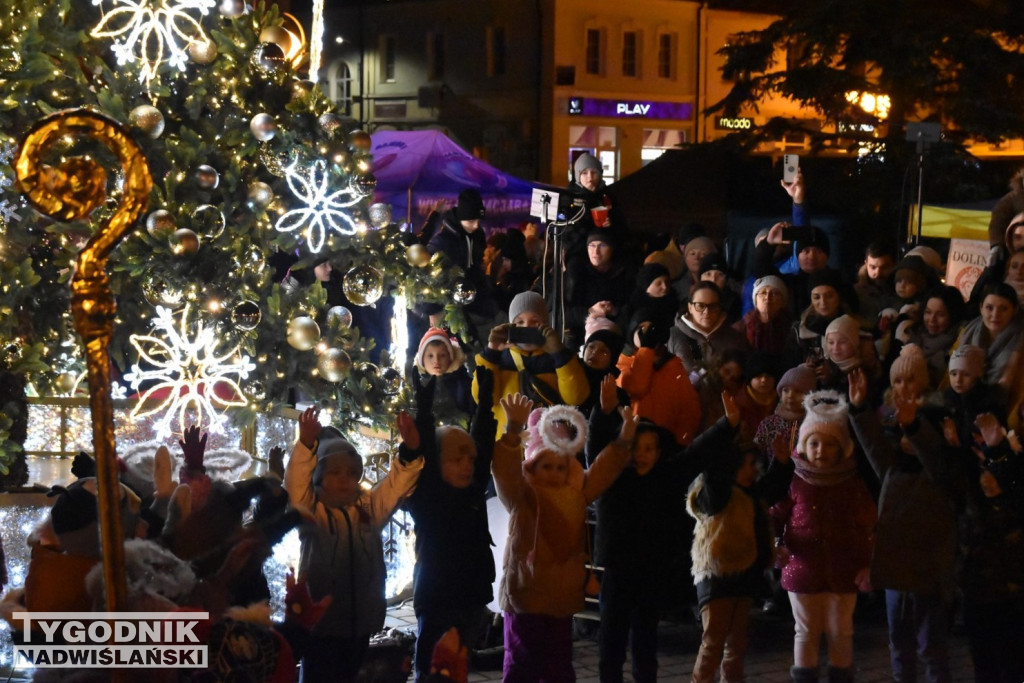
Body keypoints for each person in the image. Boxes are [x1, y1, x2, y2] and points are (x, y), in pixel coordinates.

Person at [591, 389, 742, 683]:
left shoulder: (666, 476)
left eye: (649, 448)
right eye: (635, 447)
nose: (641, 454)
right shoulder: (612, 476)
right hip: (617, 570)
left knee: (646, 639)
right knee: (611, 639)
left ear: (659, 452)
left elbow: (696, 454)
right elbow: (597, 451)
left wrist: (727, 424)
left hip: (651, 569)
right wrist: (604, 412)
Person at [493, 393, 636, 683]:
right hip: (526, 595)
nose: (554, 473)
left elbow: (603, 470)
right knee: (521, 660)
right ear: (532, 466)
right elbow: (505, 473)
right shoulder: (522, 495)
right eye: (546, 466)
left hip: (561, 597)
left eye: (560, 467)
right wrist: (512, 433)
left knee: (558, 662)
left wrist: (623, 441)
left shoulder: (576, 494)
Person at [284, 407, 424, 683]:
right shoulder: (312, 510)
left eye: (350, 472)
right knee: (318, 676)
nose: (344, 479)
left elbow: (396, 486)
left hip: (361, 619)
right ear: (319, 475)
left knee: (350, 673)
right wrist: (306, 446)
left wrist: (410, 451)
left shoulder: (368, 507)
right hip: (321, 621)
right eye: (335, 472)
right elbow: (296, 485)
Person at [848, 368, 958, 683]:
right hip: (896, 573)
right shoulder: (894, 470)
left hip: (928, 576)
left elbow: (934, 455)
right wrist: (859, 408)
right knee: (899, 644)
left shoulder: (940, 475)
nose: (905, 437)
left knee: (931, 647)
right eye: (902, 429)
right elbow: (873, 445)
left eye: (913, 430)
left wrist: (914, 425)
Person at [771, 391, 876, 683]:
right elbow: (776, 516)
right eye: (814, 443)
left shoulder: (852, 483)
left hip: (845, 570)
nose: (821, 450)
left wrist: (868, 564)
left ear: (842, 448)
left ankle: (841, 675)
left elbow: (867, 525)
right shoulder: (795, 480)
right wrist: (775, 546)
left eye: (830, 444)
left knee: (840, 629)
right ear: (804, 445)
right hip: (802, 569)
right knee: (805, 630)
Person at [404, 369, 497, 682]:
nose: (467, 466)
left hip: (471, 595)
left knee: (458, 666)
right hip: (437, 598)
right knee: (432, 668)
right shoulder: (427, 496)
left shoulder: (472, 490)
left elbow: (482, 448)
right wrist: (423, 410)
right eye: (457, 460)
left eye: (468, 460)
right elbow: (426, 456)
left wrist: (485, 406)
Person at [686, 419, 794, 683]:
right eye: (747, 464)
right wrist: (725, 433)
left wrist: (781, 462)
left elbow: (772, 487)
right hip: (717, 576)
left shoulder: (751, 492)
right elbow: (714, 479)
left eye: (754, 463)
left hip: (745, 575)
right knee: (713, 641)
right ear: (730, 465)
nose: (753, 469)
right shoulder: (717, 494)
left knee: (737, 643)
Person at [473, 291, 590, 434]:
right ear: (510, 325)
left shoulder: (557, 358)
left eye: (535, 321)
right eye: (520, 322)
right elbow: (483, 398)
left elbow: (576, 397)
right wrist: (491, 352)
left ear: (545, 324)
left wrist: (560, 354)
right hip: (508, 442)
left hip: (548, 442)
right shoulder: (499, 358)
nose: (527, 326)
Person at [425, 189, 501, 344]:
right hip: (449, 306)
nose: (476, 225)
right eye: (471, 220)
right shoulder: (443, 242)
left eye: (478, 220)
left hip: (475, 302)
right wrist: (433, 309)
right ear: (461, 217)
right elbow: (428, 277)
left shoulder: (477, 236)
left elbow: (475, 267)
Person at [617, 308, 702, 447]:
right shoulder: (623, 364)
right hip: (632, 445)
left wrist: (678, 443)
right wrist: (646, 349)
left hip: (664, 447)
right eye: (642, 329)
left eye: (653, 330)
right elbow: (637, 388)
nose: (648, 335)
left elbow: (689, 411)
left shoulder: (674, 366)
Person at [955, 281, 1024, 429]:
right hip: (963, 408)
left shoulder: (1020, 342)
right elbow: (951, 376)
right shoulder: (967, 333)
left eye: (1003, 309)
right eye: (989, 308)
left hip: (1005, 416)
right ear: (981, 308)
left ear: (1014, 310)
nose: (995, 315)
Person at [563, 230, 634, 349]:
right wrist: (590, 312)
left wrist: (615, 311)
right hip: (579, 340)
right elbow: (561, 313)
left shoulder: (624, 275)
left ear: (612, 248)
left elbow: (633, 309)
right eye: (592, 246)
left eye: (602, 246)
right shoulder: (576, 274)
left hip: (615, 338)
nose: (595, 252)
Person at [668, 281, 750, 381]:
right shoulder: (673, 336)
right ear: (690, 307)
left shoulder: (736, 339)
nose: (706, 312)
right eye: (700, 306)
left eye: (713, 306)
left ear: (720, 308)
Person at [413, 327, 472, 426]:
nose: (436, 361)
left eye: (442, 355)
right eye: (430, 356)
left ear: (450, 357)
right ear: (422, 359)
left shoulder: (461, 381)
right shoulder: (417, 386)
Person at [733, 275, 792, 357]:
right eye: (763, 293)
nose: (767, 297)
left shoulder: (792, 328)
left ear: (783, 301)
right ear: (756, 299)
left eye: (774, 293)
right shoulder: (740, 328)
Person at [854, 241, 898, 323]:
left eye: (884, 267)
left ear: (894, 265)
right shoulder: (855, 293)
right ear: (866, 264)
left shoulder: (903, 290)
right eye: (873, 267)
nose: (878, 273)